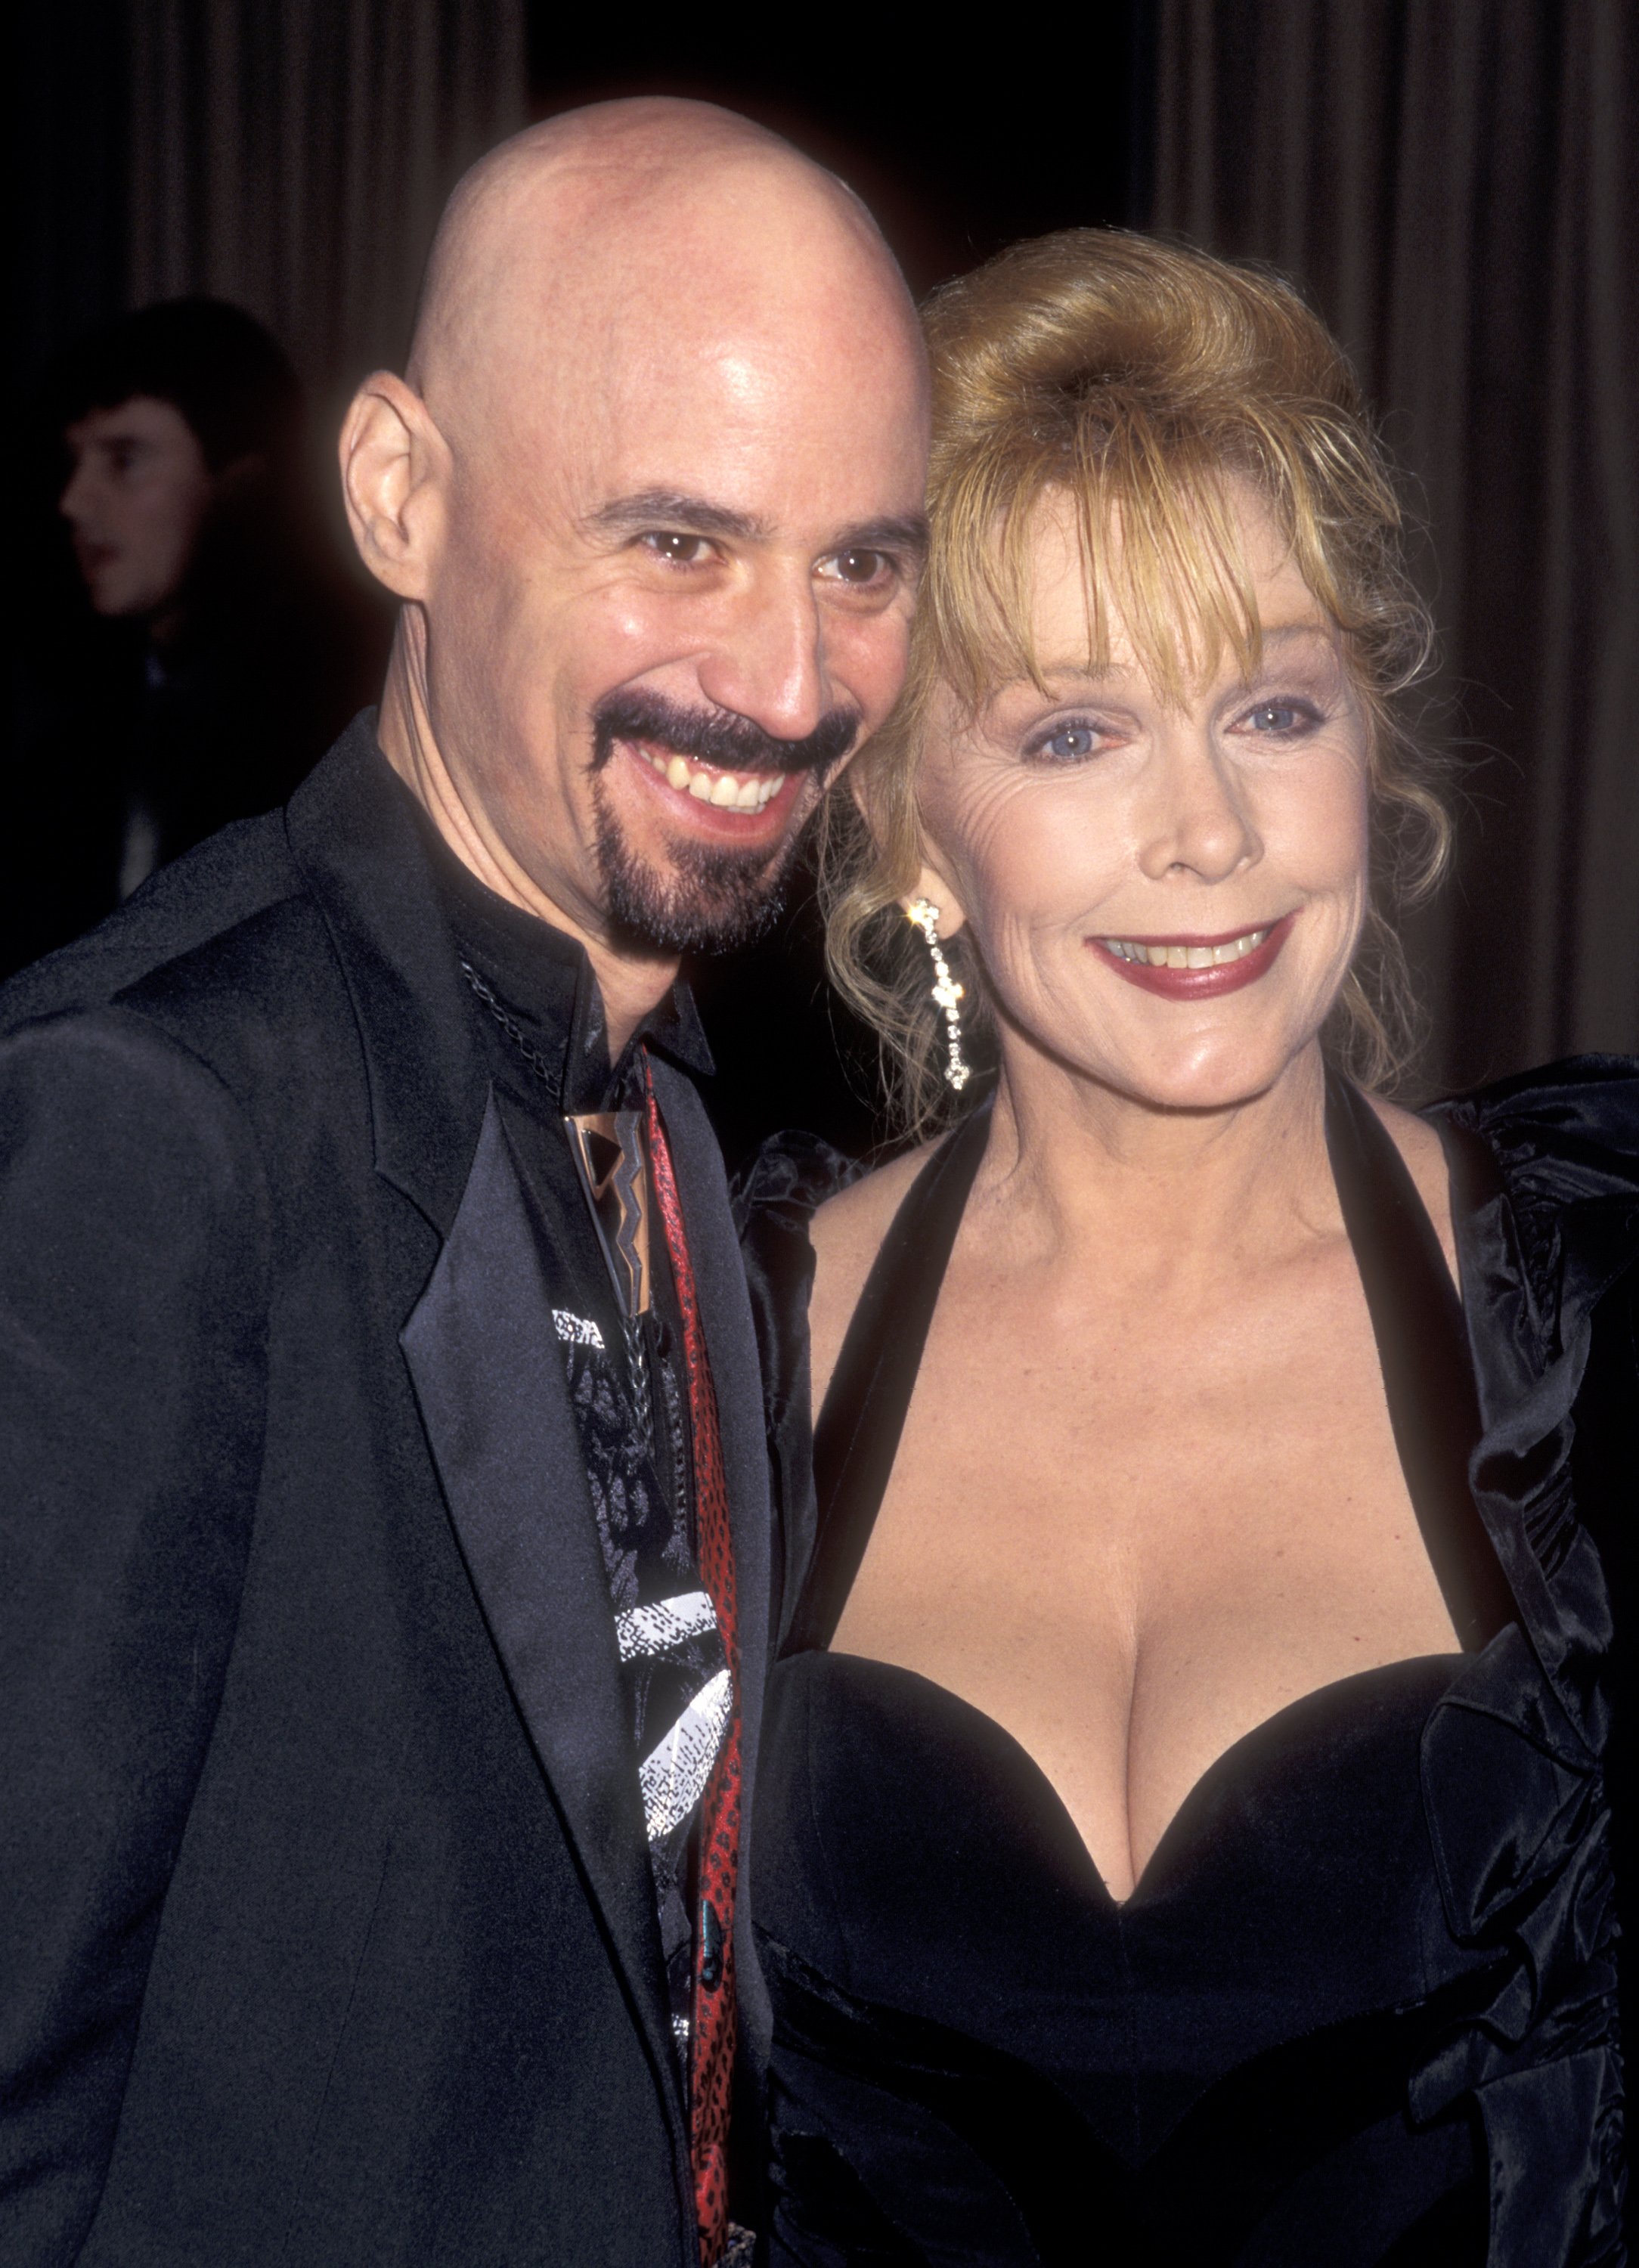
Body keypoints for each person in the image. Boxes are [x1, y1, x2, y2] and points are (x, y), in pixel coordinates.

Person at [0, 100, 928, 2266]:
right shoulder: (139, 1126)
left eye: (864, 560)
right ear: (404, 494)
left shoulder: (678, 1118)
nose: (793, 685)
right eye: (681, 543)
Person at [739, 231, 1629, 2264]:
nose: (1210, 832)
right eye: (1075, 736)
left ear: (1369, 758)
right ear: (901, 829)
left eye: (1272, 709)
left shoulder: (1595, 1337)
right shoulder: (713, 1343)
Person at [6, 300, 386, 976]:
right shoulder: (66, 746)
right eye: (75, 462)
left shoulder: (349, 736)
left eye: (124, 460)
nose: (73, 502)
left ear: (241, 482)